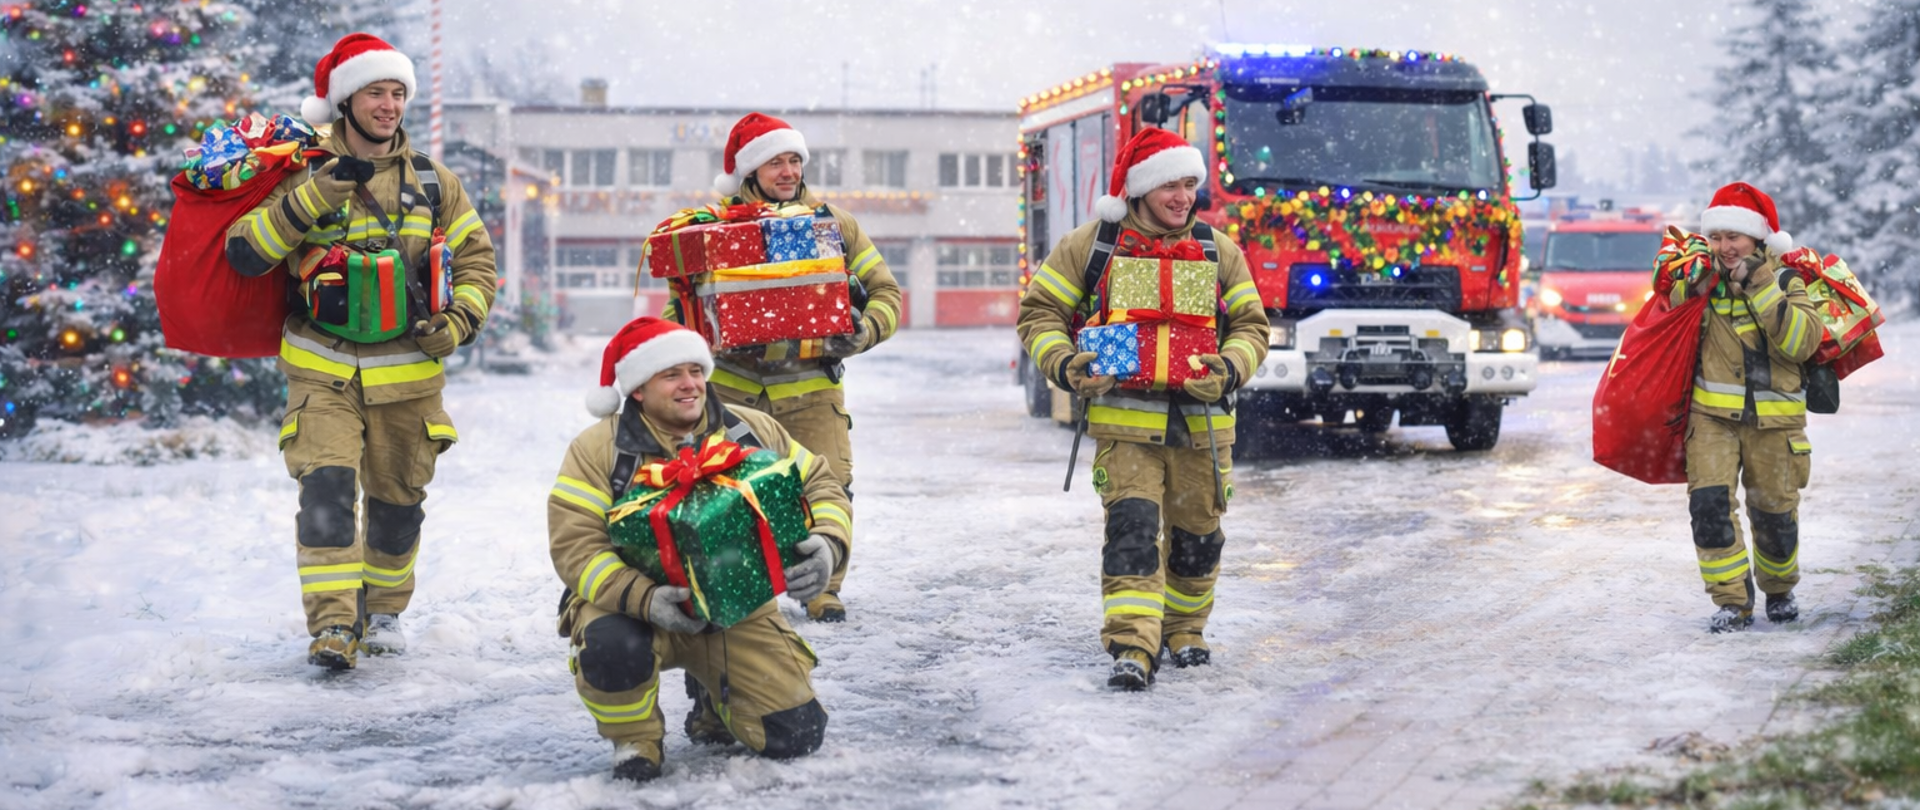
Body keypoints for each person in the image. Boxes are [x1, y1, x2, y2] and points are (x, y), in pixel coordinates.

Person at [227, 33, 496, 669]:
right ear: (345, 102)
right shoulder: (297, 174)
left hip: (410, 378)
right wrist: (316, 194)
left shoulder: (434, 181)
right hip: (323, 373)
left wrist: (458, 323)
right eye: (376, 91)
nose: (389, 104)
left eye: (398, 92)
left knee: (397, 508)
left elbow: (479, 261)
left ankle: (382, 612)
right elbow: (246, 250)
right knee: (324, 499)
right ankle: (332, 629)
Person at [1015, 128, 1270, 690]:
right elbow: (1038, 315)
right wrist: (1066, 363)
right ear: (1139, 190)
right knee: (1132, 532)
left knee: (1198, 538)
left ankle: (1185, 631)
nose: (1182, 198)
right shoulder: (1092, 247)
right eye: (1169, 187)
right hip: (1125, 430)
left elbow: (1253, 326)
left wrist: (1228, 368)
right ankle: (1133, 644)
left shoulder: (1216, 250)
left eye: (1189, 185)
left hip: (1204, 428)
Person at [548, 317, 849, 782]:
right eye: (671, 375)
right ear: (639, 390)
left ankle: (714, 701)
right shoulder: (597, 450)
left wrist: (827, 545)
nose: (690, 385)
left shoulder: (751, 429)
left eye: (696, 370)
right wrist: (644, 599)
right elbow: (575, 546)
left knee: (797, 734)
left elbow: (820, 483)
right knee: (612, 647)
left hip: (738, 606)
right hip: (635, 611)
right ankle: (636, 739)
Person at [662, 112, 902, 624]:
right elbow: (677, 311)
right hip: (731, 391)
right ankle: (744, 591)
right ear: (750, 171)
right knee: (726, 495)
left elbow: (887, 294)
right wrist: (675, 361)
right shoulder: (710, 233)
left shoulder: (833, 225)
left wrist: (862, 331)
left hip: (812, 390)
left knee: (828, 486)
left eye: (795, 160)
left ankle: (823, 589)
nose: (788, 171)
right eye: (775, 162)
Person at [1669, 182, 1822, 633]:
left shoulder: (1788, 280)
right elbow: (1665, 322)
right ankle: (1732, 601)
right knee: (1710, 508)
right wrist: (1686, 285)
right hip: (1711, 419)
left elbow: (1800, 342)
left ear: (1758, 239)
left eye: (1733, 237)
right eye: (1716, 237)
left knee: (1774, 512)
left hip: (1776, 423)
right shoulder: (1701, 281)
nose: (1724, 247)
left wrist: (1759, 285)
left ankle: (1779, 590)